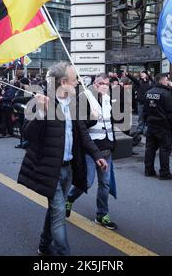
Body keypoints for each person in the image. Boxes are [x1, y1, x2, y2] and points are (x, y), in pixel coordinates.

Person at [18, 62, 107, 256]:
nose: (78, 83)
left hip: (69, 167)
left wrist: (97, 155)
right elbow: (27, 135)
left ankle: (43, 245)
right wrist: (41, 112)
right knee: (59, 213)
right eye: (75, 79)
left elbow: (82, 133)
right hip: (50, 169)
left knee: (55, 209)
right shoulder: (41, 101)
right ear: (64, 82)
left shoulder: (73, 103)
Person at [66, 74, 117, 230]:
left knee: (105, 184)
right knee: (86, 182)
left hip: (106, 149)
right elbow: (80, 126)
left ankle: (102, 214)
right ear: (94, 84)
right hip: (90, 149)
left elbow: (109, 122)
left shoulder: (107, 98)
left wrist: (112, 143)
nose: (104, 86)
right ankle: (69, 198)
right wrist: (92, 117)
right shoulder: (84, 98)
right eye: (101, 83)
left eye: (107, 84)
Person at [143, 73, 172, 180]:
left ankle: (148, 170)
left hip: (151, 125)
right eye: (167, 80)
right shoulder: (165, 93)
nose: (168, 82)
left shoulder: (148, 93)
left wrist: (147, 122)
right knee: (164, 150)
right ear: (162, 81)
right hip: (163, 126)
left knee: (150, 148)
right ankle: (164, 172)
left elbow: (145, 111)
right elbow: (171, 113)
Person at [125, 70, 153, 143]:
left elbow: (154, 84)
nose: (142, 75)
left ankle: (146, 130)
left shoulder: (150, 82)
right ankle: (139, 129)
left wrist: (149, 77)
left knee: (147, 117)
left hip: (148, 102)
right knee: (141, 116)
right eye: (141, 74)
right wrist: (128, 75)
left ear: (147, 75)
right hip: (140, 102)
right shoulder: (139, 82)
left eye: (143, 74)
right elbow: (134, 80)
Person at [12, 77, 31, 148]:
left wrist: (16, 99)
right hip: (21, 112)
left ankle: (26, 143)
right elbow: (15, 98)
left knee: (27, 128)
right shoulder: (21, 90)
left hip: (28, 112)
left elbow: (27, 98)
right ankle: (22, 143)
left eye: (21, 83)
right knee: (21, 128)